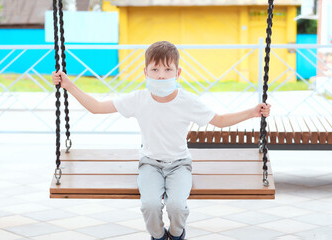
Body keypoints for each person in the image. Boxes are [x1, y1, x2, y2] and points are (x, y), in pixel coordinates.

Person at [52, 41, 271, 240]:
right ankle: (157, 236)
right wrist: (68, 85)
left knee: (176, 206)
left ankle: (176, 234)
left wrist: (252, 112)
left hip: (179, 164)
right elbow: (97, 108)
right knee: (150, 205)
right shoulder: (138, 99)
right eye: (155, 69)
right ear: (145, 72)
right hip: (150, 164)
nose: (160, 75)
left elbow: (220, 121)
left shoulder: (187, 101)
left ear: (178, 73)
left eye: (168, 70)